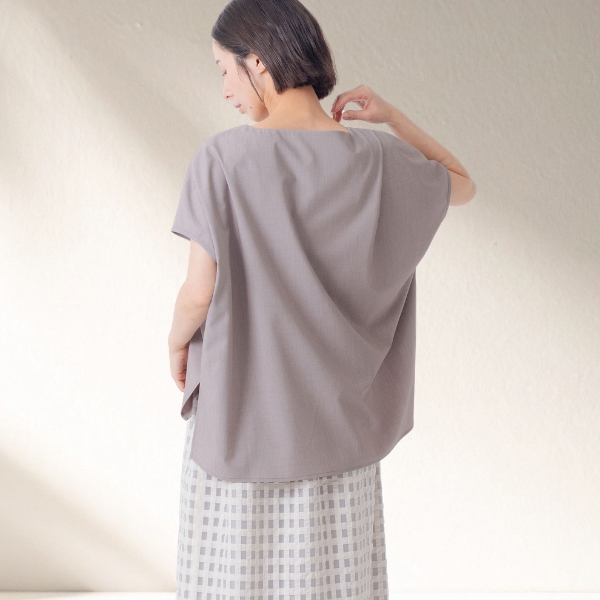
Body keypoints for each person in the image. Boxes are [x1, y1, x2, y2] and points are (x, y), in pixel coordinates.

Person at [167, 0, 477, 597]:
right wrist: (391, 117)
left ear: (258, 61)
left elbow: (198, 293)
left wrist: (177, 343)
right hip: (339, 434)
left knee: (233, 579)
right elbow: (462, 185)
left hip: (242, 424)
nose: (226, 89)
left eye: (225, 70)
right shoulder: (379, 159)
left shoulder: (222, 158)